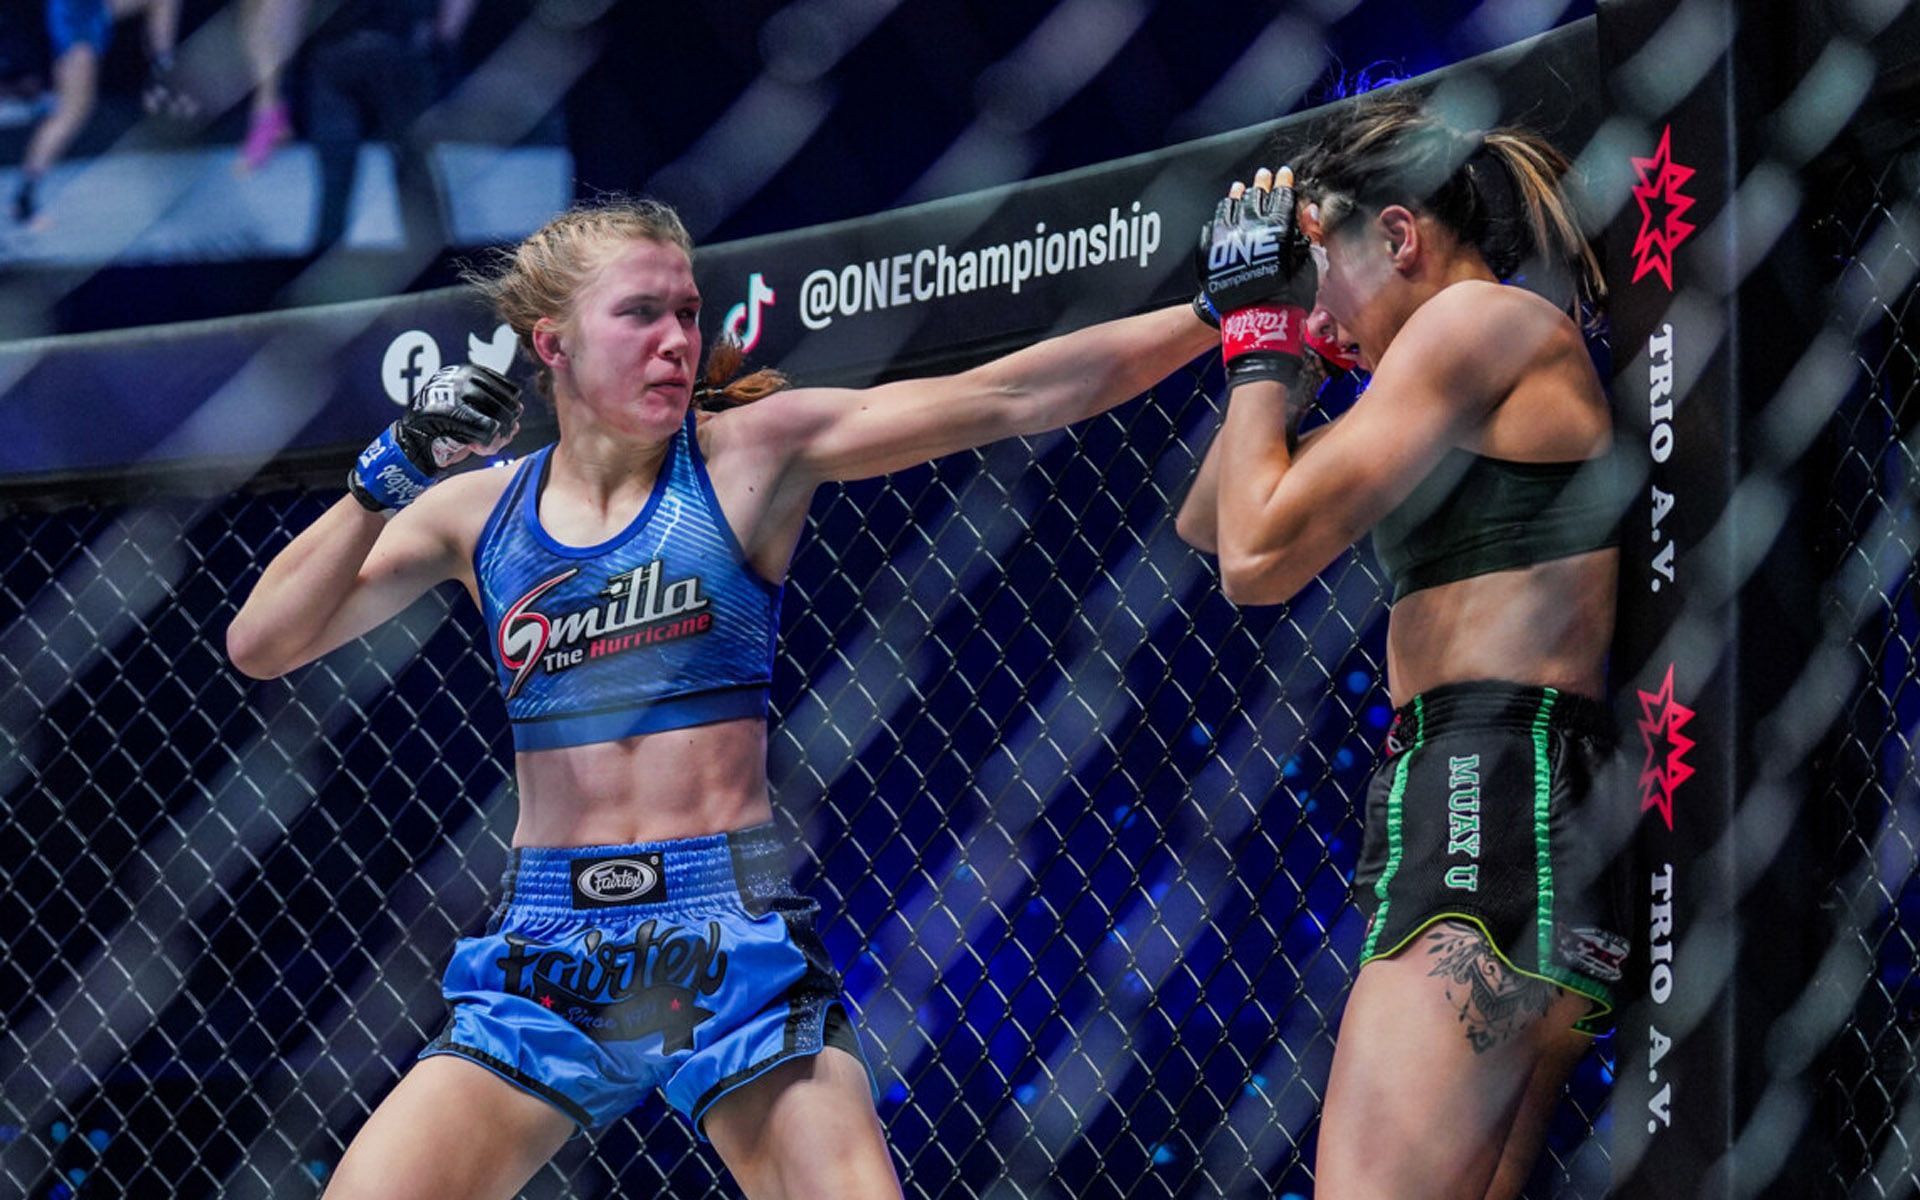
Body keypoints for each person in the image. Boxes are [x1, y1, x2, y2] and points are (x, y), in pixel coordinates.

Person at [226, 196, 1217, 1198]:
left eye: (689, 314)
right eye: (639, 314)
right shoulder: (477, 512)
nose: (676, 342)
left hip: (724, 935)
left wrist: (1219, 309)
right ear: (553, 342)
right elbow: (264, 643)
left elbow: (1009, 395)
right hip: (546, 951)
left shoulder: (749, 454)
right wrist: (386, 476)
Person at [1177, 96, 1627, 1199]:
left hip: (1483, 789)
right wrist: (1285, 351)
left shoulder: (1473, 328)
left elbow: (1256, 560)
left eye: (1325, 264)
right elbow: (1210, 518)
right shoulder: (1455, 368)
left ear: (1400, 237)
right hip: (1501, 789)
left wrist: (1259, 347)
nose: (1320, 299)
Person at [13, 0, 192, 224]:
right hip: (76, 17)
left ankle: (163, 66)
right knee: (71, 114)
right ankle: (24, 198)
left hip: (92, 10)